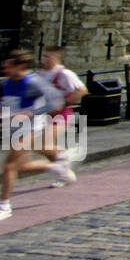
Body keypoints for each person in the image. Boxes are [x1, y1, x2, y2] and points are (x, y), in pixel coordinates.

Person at [0, 49, 70, 223]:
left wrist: (31, 112)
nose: (5, 71)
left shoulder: (33, 82)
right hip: (14, 128)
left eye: (8, 67)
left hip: (31, 128)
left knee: (8, 165)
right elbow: (4, 107)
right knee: (22, 167)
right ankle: (57, 167)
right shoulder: (6, 84)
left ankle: (4, 207)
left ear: (20, 66)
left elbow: (56, 102)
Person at [36, 46, 86, 175]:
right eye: (43, 56)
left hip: (60, 115)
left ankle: (68, 155)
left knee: (44, 145)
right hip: (43, 114)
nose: (44, 59)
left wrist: (63, 103)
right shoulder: (40, 74)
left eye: (47, 56)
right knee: (40, 147)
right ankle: (64, 173)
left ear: (56, 57)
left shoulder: (65, 74)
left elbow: (81, 90)